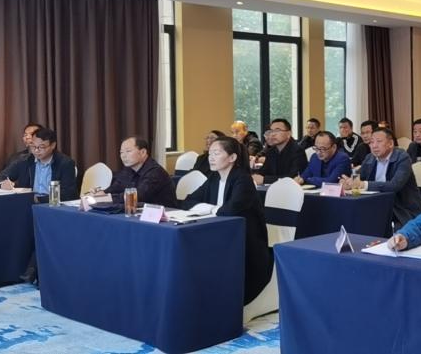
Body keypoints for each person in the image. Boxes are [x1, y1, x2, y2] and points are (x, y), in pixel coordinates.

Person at [181, 136, 271, 305]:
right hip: (220, 235)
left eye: (216, 153)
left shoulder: (243, 179)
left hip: (245, 243)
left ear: (232, 157)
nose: (211, 158)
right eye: (210, 154)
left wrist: (209, 209)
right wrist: (212, 208)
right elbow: (187, 201)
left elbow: (229, 211)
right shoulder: (214, 178)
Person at [344, 128, 421, 226]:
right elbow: (359, 178)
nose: (374, 145)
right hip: (376, 206)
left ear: (390, 144)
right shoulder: (369, 158)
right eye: (371, 142)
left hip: (401, 210)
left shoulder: (402, 157)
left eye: (379, 141)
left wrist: (363, 184)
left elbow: (395, 185)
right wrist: (349, 183)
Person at [0, 128, 77, 199]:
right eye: (33, 146)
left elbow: (68, 194)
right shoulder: (24, 161)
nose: (36, 150)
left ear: (53, 145)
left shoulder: (65, 163)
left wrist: (38, 200)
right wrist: (2, 184)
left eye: (41, 147)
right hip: (26, 204)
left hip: (51, 206)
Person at [97, 137, 176, 208]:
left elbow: (138, 196)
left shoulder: (155, 172)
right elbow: (117, 187)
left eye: (128, 151)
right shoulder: (129, 169)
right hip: (140, 212)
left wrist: (107, 198)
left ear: (143, 152)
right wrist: (101, 193)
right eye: (121, 152)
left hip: (165, 214)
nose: (123, 156)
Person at [252, 119, 307, 185]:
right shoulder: (271, 151)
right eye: (271, 131)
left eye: (277, 130)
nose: (273, 134)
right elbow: (263, 171)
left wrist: (265, 179)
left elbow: (294, 177)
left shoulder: (297, 151)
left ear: (289, 133)